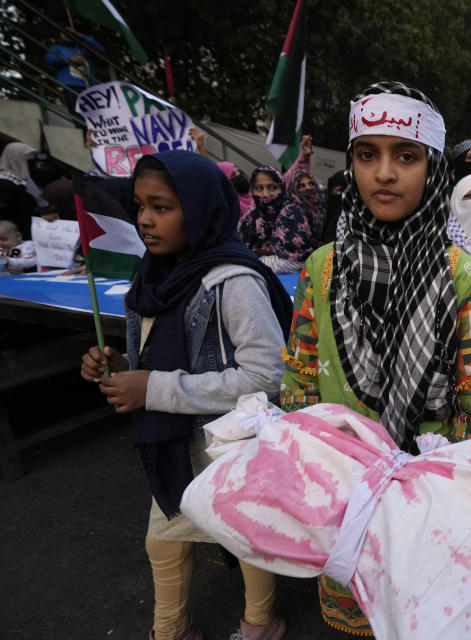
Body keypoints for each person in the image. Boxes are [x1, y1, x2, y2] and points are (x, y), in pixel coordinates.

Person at [279, 81, 471, 636]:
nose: (384, 173)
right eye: (367, 154)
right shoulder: (321, 268)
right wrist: (311, 474)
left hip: (433, 499)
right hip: (341, 493)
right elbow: (300, 381)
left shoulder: (461, 274)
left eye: (405, 156)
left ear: (433, 169)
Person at [78, 150, 292, 640]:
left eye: (162, 207)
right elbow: (166, 356)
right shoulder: (152, 276)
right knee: (166, 540)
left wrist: (152, 387)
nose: (145, 221)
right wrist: (122, 367)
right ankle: (171, 630)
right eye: (140, 206)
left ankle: (259, 626)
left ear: (200, 210)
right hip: (174, 442)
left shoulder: (232, 281)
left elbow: (267, 375)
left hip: (229, 447)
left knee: (245, 536)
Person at [238, 166, 316, 273]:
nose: (265, 194)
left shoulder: (292, 214)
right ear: (252, 191)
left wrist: (251, 262)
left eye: (272, 188)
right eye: (259, 188)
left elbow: (295, 263)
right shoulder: (252, 218)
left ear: (282, 189)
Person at [45, 29, 104, 116]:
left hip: (88, 86)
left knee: (94, 115)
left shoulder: (85, 51)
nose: (67, 35)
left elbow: (101, 50)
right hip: (71, 86)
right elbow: (50, 59)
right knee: (77, 113)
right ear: (60, 35)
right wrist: (70, 59)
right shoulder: (57, 48)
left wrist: (81, 36)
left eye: (70, 33)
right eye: (64, 33)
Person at [319, 170, 347, 245]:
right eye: (333, 190)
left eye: (340, 190)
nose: (335, 194)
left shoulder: (346, 214)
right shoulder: (325, 206)